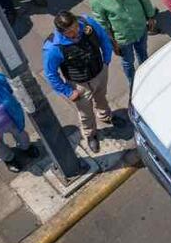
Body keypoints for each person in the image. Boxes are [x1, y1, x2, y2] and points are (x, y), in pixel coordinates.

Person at [43, 10, 123, 153]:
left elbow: (103, 38)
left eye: (75, 27)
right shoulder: (53, 48)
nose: (75, 33)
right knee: (85, 113)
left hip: (100, 71)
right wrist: (67, 91)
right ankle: (90, 135)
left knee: (101, 97)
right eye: (69, 32)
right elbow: (51, 74)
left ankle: (105, 116)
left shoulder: (87, 23)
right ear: (61, 32)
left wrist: (106, 61)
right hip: (79, 84)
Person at [91, 0, 158, 85]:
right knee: (128, 62)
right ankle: (133, 84)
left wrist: (151, 16)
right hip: (122, 38)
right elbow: (102, 25)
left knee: (142, 53)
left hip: (140, 28)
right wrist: (112, 43)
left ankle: (148, 78)